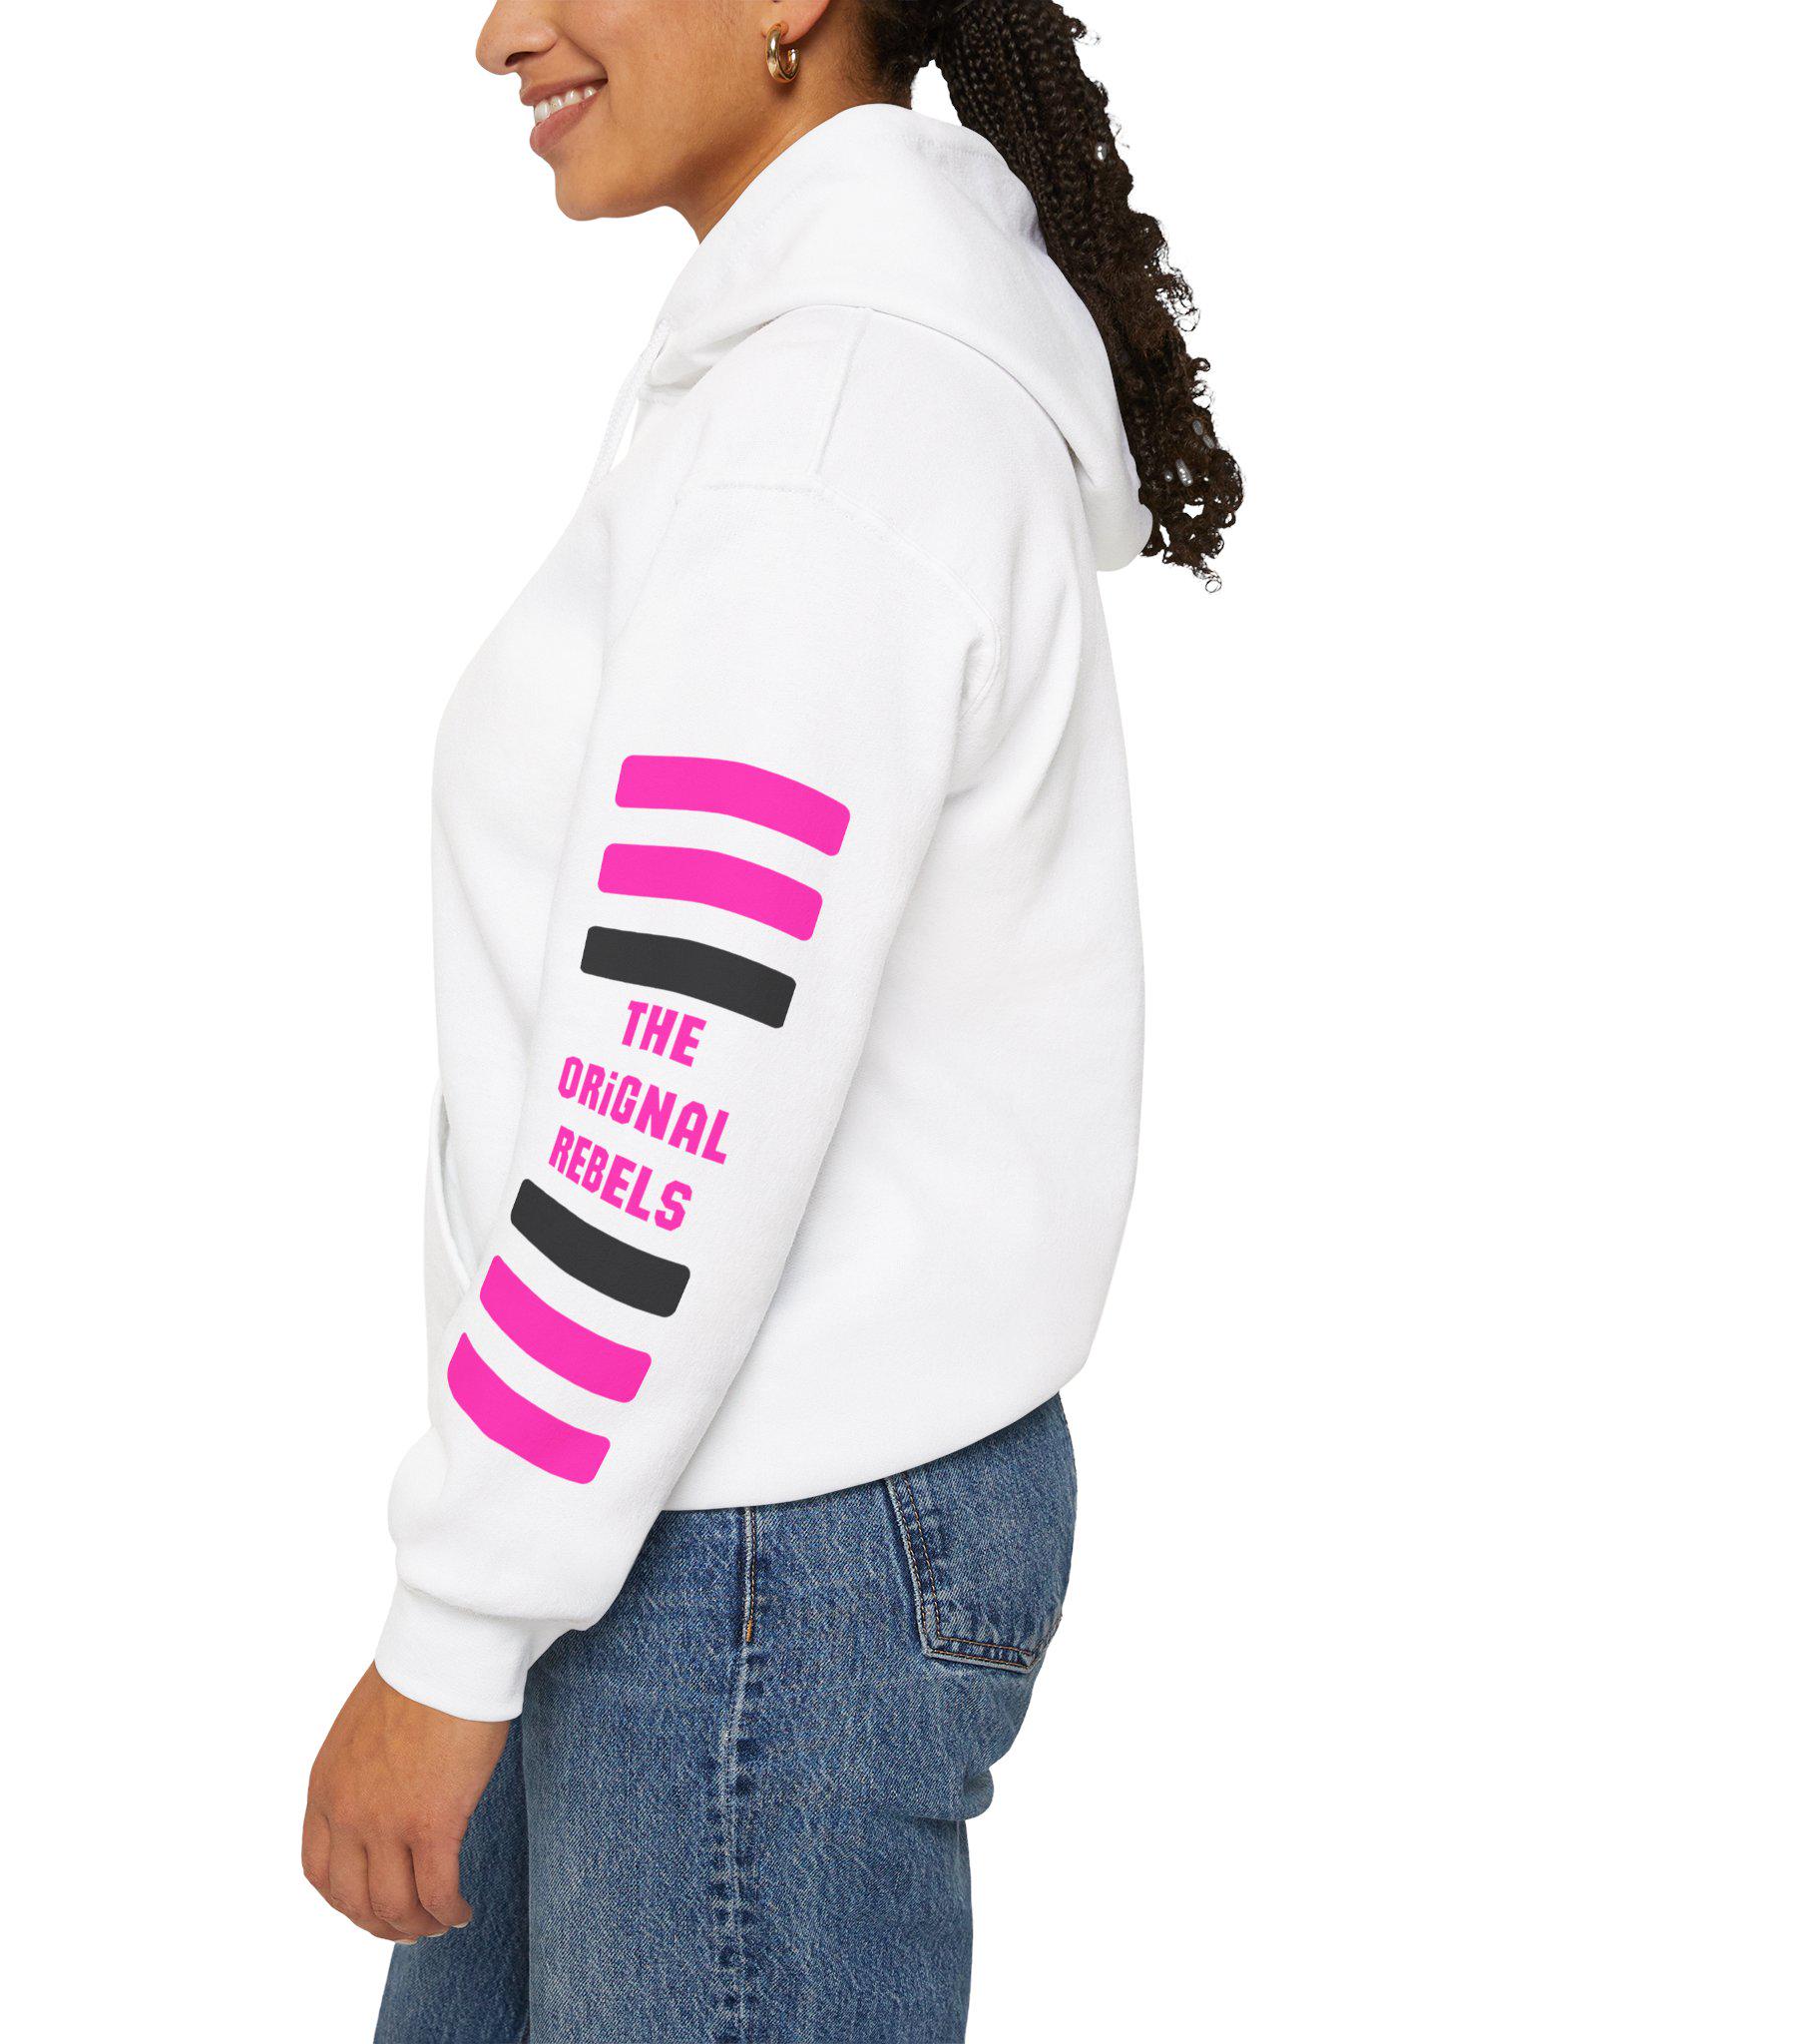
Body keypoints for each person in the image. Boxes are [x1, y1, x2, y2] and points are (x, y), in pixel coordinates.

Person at [304, 2, 1239, 2036]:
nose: (501, 32)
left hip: (747, 1564)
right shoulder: (807, 379)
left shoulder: (834, 429)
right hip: (668, 1519)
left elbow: (676, 1067)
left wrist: (454, 1617)